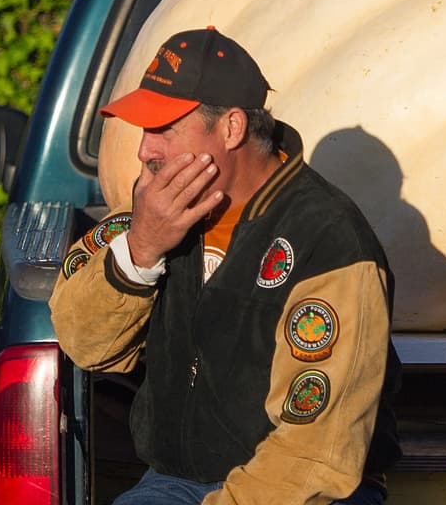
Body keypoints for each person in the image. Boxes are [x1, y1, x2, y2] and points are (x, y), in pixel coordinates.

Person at [51, 25, 401, 505]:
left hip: (306, 494)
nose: (144, 150)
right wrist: (141, 250)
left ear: (232, 127)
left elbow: (315, 456)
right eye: (144, 128)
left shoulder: (330, 241)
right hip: (173, 483)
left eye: (165, 128)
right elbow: (84, 343)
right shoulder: (154, 210)